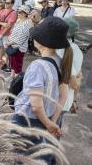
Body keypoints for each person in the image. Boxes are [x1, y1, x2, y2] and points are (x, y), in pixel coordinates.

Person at [13, 16, 73, 164]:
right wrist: (52, 122)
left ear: (41, 42)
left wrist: (47, 124)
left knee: (22, 158)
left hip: (27, 121)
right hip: (49, 117)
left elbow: (36, 105)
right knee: (42, 158)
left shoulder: (37, 66)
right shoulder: (61, 62)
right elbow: (63, 96)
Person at [55, 18, 83, 126]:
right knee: (54, 131)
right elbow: (77, 78)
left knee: (50, 132)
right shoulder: (76, 49)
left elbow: (72, 78)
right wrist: (74, 98)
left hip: (55, 99)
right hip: (65, 100)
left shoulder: (59, 47)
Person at [4, 5, 31, 84]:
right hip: (13, 46)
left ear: (25, 13)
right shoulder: (19, 21)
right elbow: (13, 32)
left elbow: (21, 37)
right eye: (18, 12)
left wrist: (10, 42)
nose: (18, 13)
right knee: (12, 64)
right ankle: (12, 77)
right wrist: (9, 39)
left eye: (20, 12)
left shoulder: (26, 24)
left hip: (19, 48)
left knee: (17, 66)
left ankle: (16, 83)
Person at [0, 0, 18, 73]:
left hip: (7, 34)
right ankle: (0, 60)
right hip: (0, 32)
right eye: (5, 2)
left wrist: (3, 34)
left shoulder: (13, 13)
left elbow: (9, 26)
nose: (6, 4)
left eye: (8, 3)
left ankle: (6, 64)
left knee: (7, 49)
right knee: (0, 47)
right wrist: (3, 23)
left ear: (12, 4)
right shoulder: (3, 10)